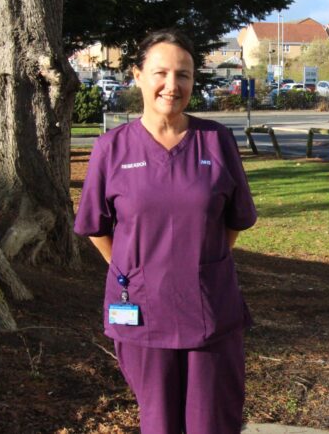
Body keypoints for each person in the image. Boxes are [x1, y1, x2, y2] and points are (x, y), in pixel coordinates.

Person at [74, 29, 257, 434]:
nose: (172, 85)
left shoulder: (216, 141)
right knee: (159, 423)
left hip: (209, 309)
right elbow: (94, 226)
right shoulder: (111, 148)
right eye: (161, 73)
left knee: (212, 423)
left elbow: (235, 221)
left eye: (184, 75)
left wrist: (200, 263)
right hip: (142, 313)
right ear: (138, 75)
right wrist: (131, 270)